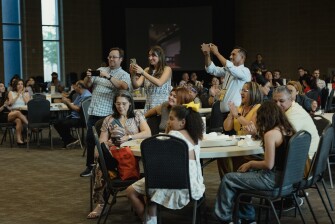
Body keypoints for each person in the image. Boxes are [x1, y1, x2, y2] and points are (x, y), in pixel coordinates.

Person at [214, 101, 295, 224]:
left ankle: (223, 218)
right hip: (288, 181)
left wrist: (251, 163)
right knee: (242, 176)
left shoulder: (271, 134)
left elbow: (269, 164)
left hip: (272, 180)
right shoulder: (288, 130)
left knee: (229, 179)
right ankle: (247, 216)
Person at [126, 103, 205, 224]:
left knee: (132, 191)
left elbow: (156, 157)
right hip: (192, 186)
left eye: (172, 118)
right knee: (152, 187)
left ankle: (148, 220)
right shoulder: (196, 137)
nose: (168, 121)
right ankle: (150, 218)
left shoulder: (174, 136)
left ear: (182, 122)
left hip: (171, 184)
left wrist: (168, 132)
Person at [87, 90, 151, 219]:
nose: (120, 107)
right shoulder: (109, 119)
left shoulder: (137, 115)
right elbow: (101, 142)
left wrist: (129, 137)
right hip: (117, 155)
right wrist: (108, 143)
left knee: (151, 164)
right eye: (117, 104)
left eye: (124, 104)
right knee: (100, 164)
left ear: (130, 104)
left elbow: (147, 133)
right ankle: (101, 203)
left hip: (135, 153)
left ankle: (143, 199)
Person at [80, 47, 131, 177]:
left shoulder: (123, 74)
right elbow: (87, 85)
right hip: (94, 110)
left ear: (120, 59)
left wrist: (108, 77)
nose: (111, 59)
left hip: (109, 113)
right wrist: (89, 77)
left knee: (108, 143)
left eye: (114, 57)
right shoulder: (101, 70)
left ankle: (108, 167)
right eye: (109, 57)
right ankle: (90, 166)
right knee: (90, 139)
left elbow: (123, 87)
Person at [200, 43, 251, 131]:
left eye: (234, 54)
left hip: (236, 113)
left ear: (242, 57)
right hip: (223, 112)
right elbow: (211, 69)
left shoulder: (245, 71)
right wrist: (207, 55)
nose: (231, 57)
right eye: (231, 54)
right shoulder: (228, 71)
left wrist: (217, 53)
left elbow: (230, 68)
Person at [219, 82, 263, 178]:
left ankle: (233, 181)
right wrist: (231, 114)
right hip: (239, 145)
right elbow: (227, 127)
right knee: (221, 157)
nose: (241, 93)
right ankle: (228, 182)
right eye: (241, 90)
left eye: (245, 90)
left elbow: (251, 127)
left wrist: (237, 115)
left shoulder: (258, 108)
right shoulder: (239, 108)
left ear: (253, 92)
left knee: (230, 157)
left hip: (252, 147)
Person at [130, 45, 172, 113]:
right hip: (149, 106)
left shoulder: (167, 69)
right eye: (149, 55)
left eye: (153, 55)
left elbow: (159, 83)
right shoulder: (147, 70)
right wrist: (133, 74)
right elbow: (136, 85)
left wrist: (143, 72)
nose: (150, 58)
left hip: (162, 107)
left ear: (160, 56)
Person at [53, 80, 92, 148]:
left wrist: (67, 102)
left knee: (62, 123)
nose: (74, 87)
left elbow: (78, 108)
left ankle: (69, 140)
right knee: (56, 122)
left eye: (75, 86)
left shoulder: (86, 95)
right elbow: (74, 104)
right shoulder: (80, 94)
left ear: (79, 86)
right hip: (74, 116)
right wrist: (67, 101)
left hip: (80, 118)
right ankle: (70, 140)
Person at [7, 79, 30, 145]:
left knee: (18, 120)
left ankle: (19, 140)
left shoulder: (26, 93)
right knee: (17, 113)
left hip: (23, 114)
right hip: (12, 113)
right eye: (18, 84)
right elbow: (10, 103)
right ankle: (30, 125)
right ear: (15, 85)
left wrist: (22, 95)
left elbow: (28, 103)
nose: (20, 85)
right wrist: (17, 95)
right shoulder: (11, 92)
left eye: (21, 84)